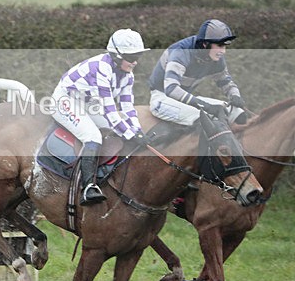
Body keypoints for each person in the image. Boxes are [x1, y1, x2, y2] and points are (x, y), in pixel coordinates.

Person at [51, 28, 151, 206]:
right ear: (116, 55)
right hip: (65, 100)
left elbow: (127, 108)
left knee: (117, 132)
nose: (135, 61)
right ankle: (88, 187)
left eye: (138, 57)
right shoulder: (101, 69)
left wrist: (138, 131)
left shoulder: (128, 75)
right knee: (93, 136)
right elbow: (111, 112)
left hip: (87, 103)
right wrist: (130, 135)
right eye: (131, 56)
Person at [147, 19, 247, 126]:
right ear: (205, 44)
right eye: (220, 46)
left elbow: (225, 82)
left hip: (186, 101)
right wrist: (206, 106)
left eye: (225, 46)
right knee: (203, 119)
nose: (223, 51)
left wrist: (235, 96)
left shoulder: (214, 57)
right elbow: (171, 89)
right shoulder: (181, 52)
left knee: (238, 114)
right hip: (162, 99)